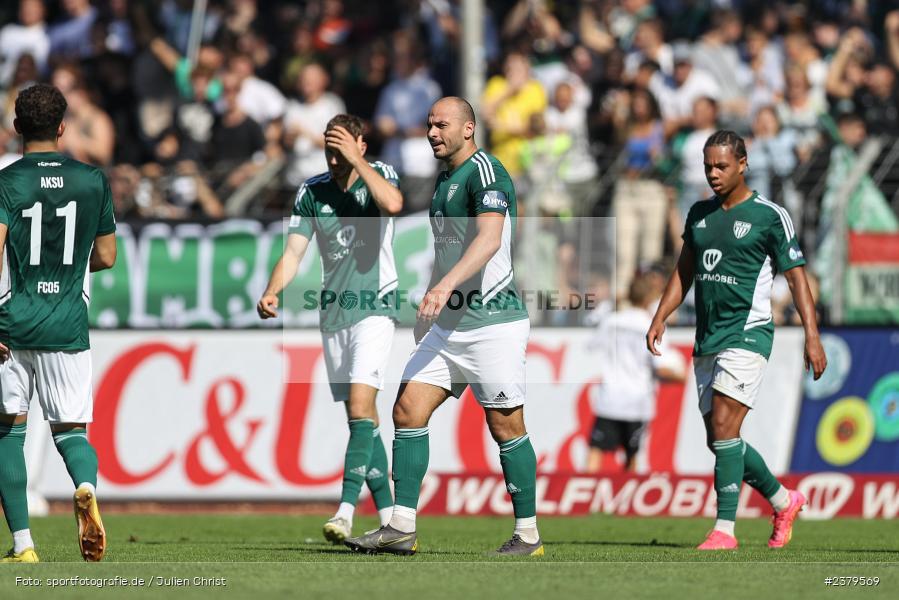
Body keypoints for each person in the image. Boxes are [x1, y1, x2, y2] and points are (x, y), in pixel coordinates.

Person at [345, 97, 541, 557]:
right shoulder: (444, 180)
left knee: (506, 425)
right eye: (429, 124)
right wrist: (432, 302)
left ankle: (528, 534)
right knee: (407, 410)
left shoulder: (486, 172)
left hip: (492, 323)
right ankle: (401, 526)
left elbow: (489, 240)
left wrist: (444, 286)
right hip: (449, 326)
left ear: (468, 128)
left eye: (442, 125)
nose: (432, 132)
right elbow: (447, 251)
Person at [646, 130, 827, 550]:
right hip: (707, 336)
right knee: (719, 439)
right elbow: (684, 271)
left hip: (748, 333)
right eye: (708, 166)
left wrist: (812, 335)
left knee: (726, 427)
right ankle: (783, 500)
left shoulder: (769, 216)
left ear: (743, 164)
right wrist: (660, 315)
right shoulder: (699, 213)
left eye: (722, 166)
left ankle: (724, 530)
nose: (713, 173)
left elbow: (797, 279)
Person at [257, 113, 402, 545]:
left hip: (374, 306)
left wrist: (357, 162)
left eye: (341, 150)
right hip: (334, 314)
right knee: (364, 419)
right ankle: (392, 518)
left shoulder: (380, 175)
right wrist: (272, 291)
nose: (334, 160)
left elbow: (394, 204)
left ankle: (345, 513)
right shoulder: (311, 191)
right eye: (329, 151)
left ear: (360, 145)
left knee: (360, 408)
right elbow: (293, 253)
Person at [0, 83, 117, 562]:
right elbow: (106, 256)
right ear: (63, 127)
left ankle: (23, 546)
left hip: (12, 323)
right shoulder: (93, 180)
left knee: (8, 430)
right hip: (68, 323)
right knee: (71, 431)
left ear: (16, 127)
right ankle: (85, 486)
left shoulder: (7, 181)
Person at [586, 273, 685, 473]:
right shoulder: (651, 325)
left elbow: (591, 347)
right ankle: (626, 493)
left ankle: (586, 491)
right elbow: (662, 367)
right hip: (637, 401)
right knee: (631, 456)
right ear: (650, 298)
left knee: (596, 451)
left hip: (610, 398)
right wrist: (682, 377)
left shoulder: (612, 321)